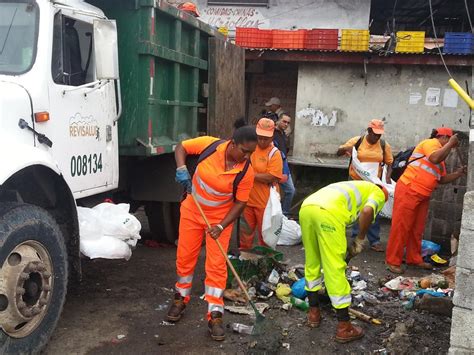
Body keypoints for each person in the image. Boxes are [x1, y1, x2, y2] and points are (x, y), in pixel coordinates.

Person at [166, 125, 257, 341]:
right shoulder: (210, 145)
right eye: (245, 151)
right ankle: (181, 297)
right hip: (192, 211)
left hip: (219, 220)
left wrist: (221, 226)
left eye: (251, 153)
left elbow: (240, 204)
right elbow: (181, 147)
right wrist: (181, 168)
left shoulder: (246, 170)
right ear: (233, 144)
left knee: (216, 265)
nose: (247, 156)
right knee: (185, 257)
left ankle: (215, 314)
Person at [299, 181, 388, 342]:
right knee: (334, 268)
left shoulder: (355, 186)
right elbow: (367, 211)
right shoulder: (379, 192)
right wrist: (360, 240)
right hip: (328, 214)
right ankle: (344, 327)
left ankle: (313, 314)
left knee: (312, 262)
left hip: (307, 208)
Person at [386, 127, 467, 274]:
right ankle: (393, 261)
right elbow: (434, 158)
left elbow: (441, 179)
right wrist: (450, 144)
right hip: (409, 189)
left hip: (422, 195)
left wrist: (458, 173)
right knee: (401, 227)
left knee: (417, 230)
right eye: (449, 141)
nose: (451, 145)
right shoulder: (431, 143)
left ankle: (414, 258)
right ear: (444, 137)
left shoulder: (441, 157)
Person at [336, 119, 393, 252]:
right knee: (356, 209)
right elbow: (338, 152)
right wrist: (346, 148)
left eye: (379, 135)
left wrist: (388, 177)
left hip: (373, 183)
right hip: (356, 181)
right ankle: (356, 238)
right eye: (374, 134)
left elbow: (390, 162)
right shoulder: (358, 141)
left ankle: (374, 240)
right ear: (368, 131)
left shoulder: (384, 145)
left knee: (374, 209)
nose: (377, 137)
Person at [239, 118, 283, 249]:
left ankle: (266, 263)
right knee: (245, 234)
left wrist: (249, 175)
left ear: (272, 136)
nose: (262, 141)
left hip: (266, 204)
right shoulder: (250, 148)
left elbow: (272, 176)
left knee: (265, 236)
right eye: (260, 137)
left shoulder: (274, 153)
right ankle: (244, 259)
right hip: (246, 201)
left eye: (266, 138)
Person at [274, 114, 295, 216]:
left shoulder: (283, 134)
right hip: (276, 165)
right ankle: (283, 214)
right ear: (278, 121)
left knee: (290, 191)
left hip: (283, 164)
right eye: (284, 121)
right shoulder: (272, 133)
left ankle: (284, 214)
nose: (286, 124)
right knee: (289, 191)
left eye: (288, 122)